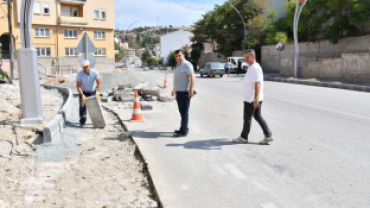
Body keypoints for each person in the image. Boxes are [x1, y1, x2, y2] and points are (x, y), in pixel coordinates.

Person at [232, 49, 273, 144]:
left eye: (247, 57)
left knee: (247, 118)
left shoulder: (254, 68)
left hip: (251, 99)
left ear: (253, 57)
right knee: (257, 116)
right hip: (253, 98)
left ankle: (243, 137)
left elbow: (257, 84)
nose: (245, 59)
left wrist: (255, 99)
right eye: (244, 57)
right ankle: (268, 135)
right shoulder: (252, 67)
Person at [171, 49, 196, 137]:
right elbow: (178, 78)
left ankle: (184, 131)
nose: (177, 57)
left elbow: (193, 77)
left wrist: (191, 90)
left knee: (184, 112)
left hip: (185, 92)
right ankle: (182, 128)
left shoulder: (186, 64)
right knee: (181, 112)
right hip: (179, 92)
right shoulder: (178, 65)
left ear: (183, 56)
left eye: (179, 56)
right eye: (176, 56)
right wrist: (174, 89)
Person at [76, 60, 102, 127]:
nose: (86, 68)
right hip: (83, 92)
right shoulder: (80, 74)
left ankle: (98, 122)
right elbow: (78, 86)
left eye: (87, 66)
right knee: (82, 106)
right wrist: (82, 96)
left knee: (95, 107)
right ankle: (82, 121)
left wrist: (98, 93)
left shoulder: (94, 72)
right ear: (82, 68)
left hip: (92, 92)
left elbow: (99, 82)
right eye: (84, 67)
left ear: (89, 66)